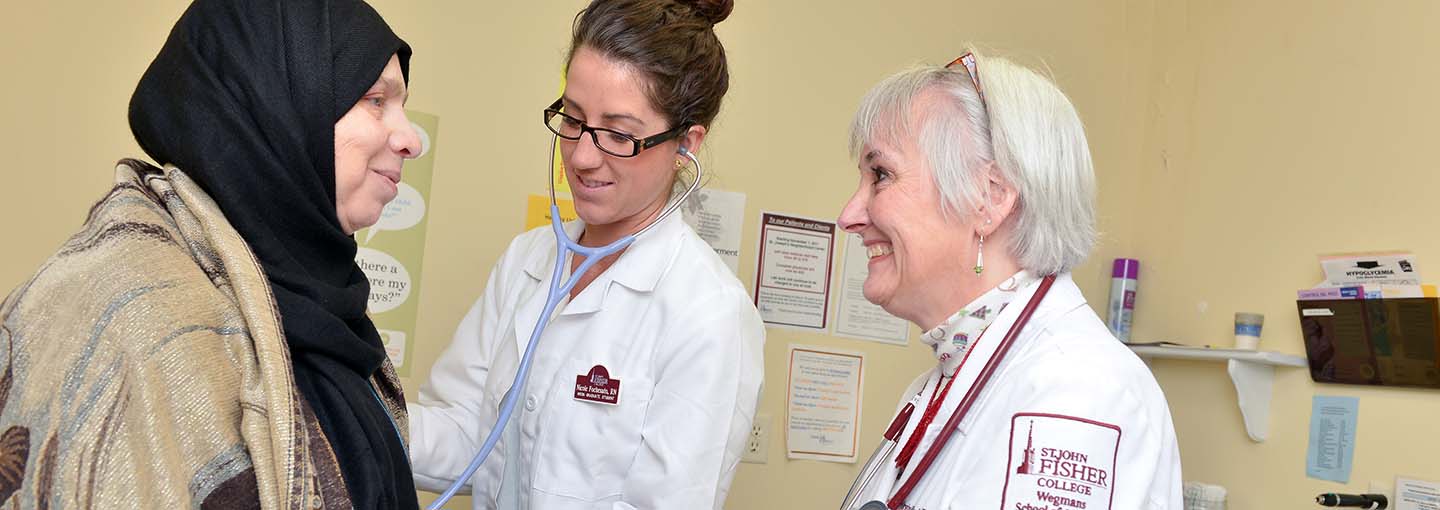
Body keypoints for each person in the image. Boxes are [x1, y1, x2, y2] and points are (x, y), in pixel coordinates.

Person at [0, 0, 422, 507]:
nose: (411, 139)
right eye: (376, 100)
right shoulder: (135, 314)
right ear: (273, 107)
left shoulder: (330, 313)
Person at [407, 0, 763, 508]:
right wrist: (346, 411)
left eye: (619, 134)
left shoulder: (709, 313)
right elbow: (467, 433)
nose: (581, 155)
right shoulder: (528, 260)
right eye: (572, 119)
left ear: (686, 144)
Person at [837, 50, 1183, 509]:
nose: (850, 216)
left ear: (989, 199)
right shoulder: (944, 379)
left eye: (881, 175)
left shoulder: (1079, 392)